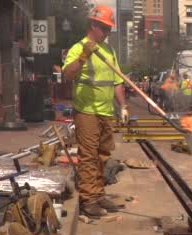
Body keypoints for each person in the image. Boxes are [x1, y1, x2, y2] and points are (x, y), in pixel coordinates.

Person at [62, 5, 129, 218]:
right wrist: (83, 56)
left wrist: (124, 106)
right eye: (105, 28)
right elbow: (68, 75)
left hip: (106, 111)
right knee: (89, 156)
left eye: (109, 29)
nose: (108, 33)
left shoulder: (109, 51)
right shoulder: (78, 48)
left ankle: (98, 194)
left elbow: (117, 81)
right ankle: (88, 200)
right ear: (94, 25)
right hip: (87, 111)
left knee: (102, 155)